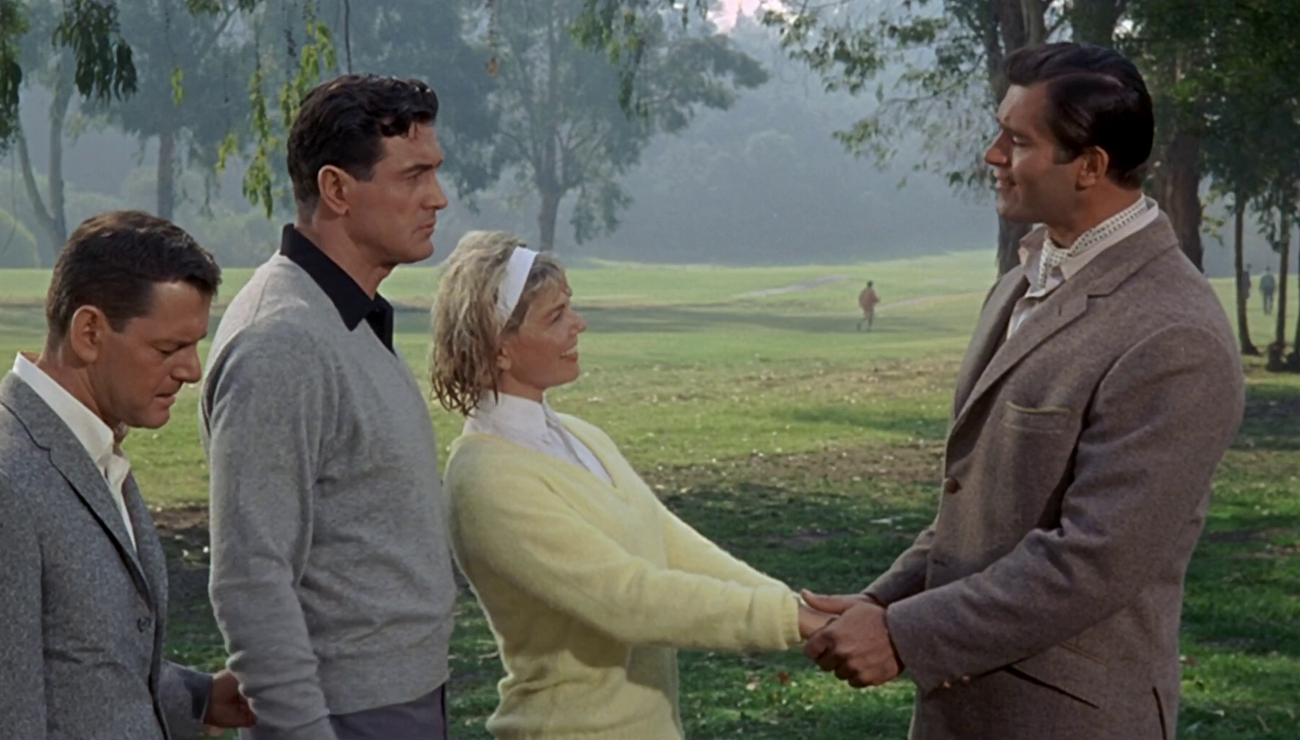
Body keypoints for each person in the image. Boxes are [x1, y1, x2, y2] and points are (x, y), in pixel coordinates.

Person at [801, 43, 1245, 740]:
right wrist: (880, 602)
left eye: (1017, 141)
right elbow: (978, 507)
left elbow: (1093, 560)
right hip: (963, 710)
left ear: (1089, 166)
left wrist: (903, 635)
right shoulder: (1021, 280)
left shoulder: (1174, 335)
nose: (991, 155)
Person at [431, 231, 833, 740]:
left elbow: (672, 545)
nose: (579, 324)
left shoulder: (581, 436)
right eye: (556, 317)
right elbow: (628, 600)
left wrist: (801, 609)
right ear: (500, 348)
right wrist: (791, 620)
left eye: (570, 307)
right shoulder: (486, 479)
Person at [0, 211, 255, 739]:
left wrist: (199, 698)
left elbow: (85, 658)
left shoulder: (92, 446)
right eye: (169, 348)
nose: (192, 370)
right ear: (90, 332)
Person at [200, 75, 456, 740]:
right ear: (337, 189)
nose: (438, 197)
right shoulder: (281, 342)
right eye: (414, 175)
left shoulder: (343, 318)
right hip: (345, 715)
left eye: (435, 172)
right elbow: (251, 576)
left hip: (397, 701)